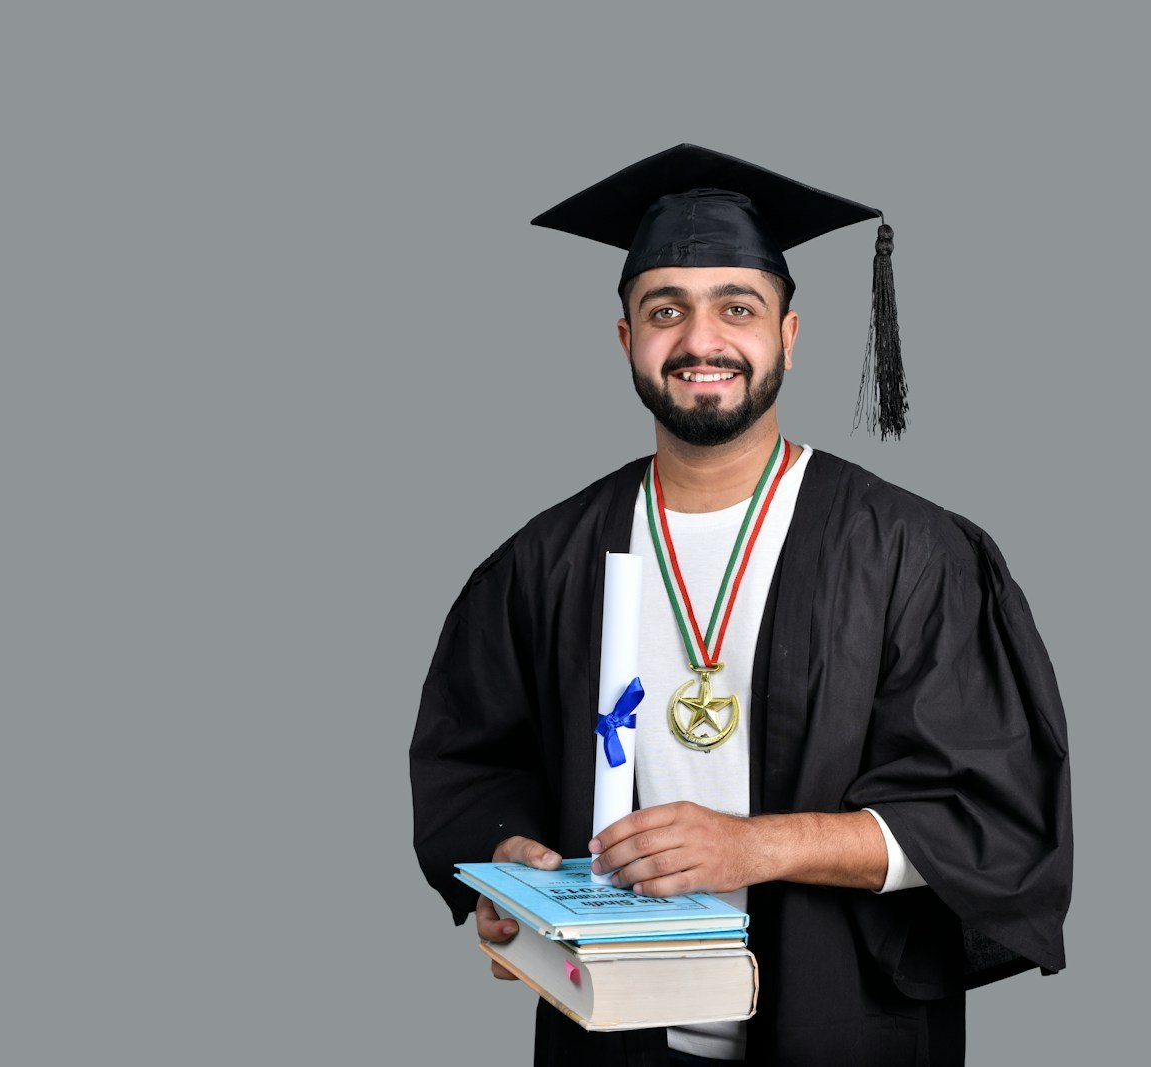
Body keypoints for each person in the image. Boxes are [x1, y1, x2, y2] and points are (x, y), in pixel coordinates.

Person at [410, 144, 1073, 1067]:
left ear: (789, 335)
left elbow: (988, 816)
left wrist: (758, 847)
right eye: (665, 309)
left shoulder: (911, 554)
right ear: (626, 338)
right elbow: (473, 760)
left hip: (843, 1032)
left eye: (738, 306)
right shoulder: (544, 560)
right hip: (611, 1036)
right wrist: (510, 864)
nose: (700, 339)